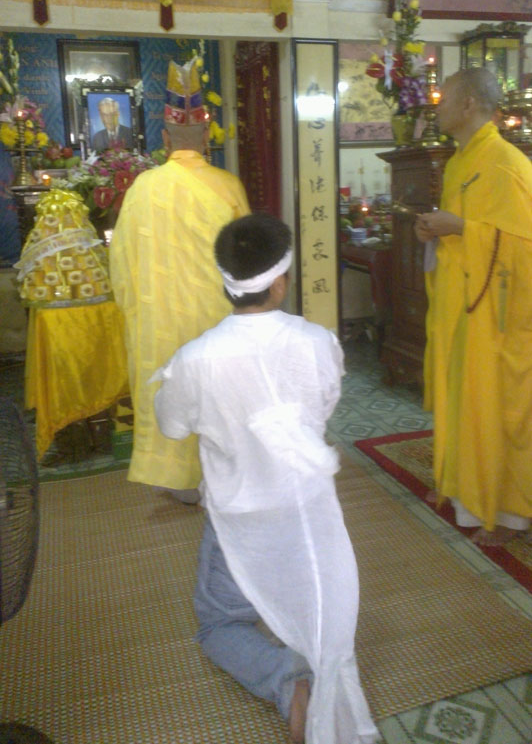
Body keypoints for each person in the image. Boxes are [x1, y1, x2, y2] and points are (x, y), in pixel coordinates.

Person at [153, 213, 377, 744]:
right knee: (313, 608)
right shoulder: (319, 342)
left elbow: (172, 424)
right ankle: (309, 665)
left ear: (225, 281)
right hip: (309, 511)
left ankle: (287, 684)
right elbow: (323, 407)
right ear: (281, 281)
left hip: (238, 520)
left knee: (220, 625)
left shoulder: (195, 359)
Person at [109, 57, 249, 503]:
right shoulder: (228, 186)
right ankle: (220, 477)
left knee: (169, 388)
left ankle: (175, 477)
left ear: (165, 139)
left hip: (160, 322)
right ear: (207, 138)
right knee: (218, 395)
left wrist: (133, 308)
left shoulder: (142, 188)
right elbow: (246, 261)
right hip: (217, 320)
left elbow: (120, 264)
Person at [415, 67, 532, 546]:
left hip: (499, 316)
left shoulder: (505, 163)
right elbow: (462, 229)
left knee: (498, 406)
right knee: (463, 398)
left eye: (444, 100)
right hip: (462, 306)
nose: (437, 108)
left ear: (468, 104)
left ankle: (508, 513)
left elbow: (524, 245)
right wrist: (436, 230)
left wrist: (462, 228)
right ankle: (464, 488)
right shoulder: (461, 161)